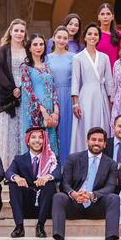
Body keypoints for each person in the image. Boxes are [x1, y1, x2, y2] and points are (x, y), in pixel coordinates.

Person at [51, 127, 121, 240]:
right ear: (87, 141)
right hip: (75, 204)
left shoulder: (111, 163)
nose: (96, 143)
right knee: (58, 197)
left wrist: (92, 195)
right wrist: (74, 194)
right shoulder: (73, 158)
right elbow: (65, 183)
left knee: (114, 198)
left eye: (100, 140)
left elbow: (110, 187)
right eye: (93, 139)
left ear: (105, 144)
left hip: (96, 205)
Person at [6, 126, 59, 239]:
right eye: (33, 137)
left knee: (50, 183)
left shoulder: (52, 158)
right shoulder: (19, 159)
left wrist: (47, 177)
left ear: (44, 141)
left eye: (40, 137)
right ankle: (19, 226)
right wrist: (17, 178)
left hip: (44, 204)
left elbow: (59, 173)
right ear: (28, 142)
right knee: (13, 183)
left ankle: (40, 226)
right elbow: (9, 172)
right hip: (26, 203)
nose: (37, 140)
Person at [0, 18, 26, 169]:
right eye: (16, 30)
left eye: (22, 31)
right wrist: (12, 90)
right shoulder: (3, 51)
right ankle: (4, 168)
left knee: (21, 135)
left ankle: (21, 169)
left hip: (25, 96)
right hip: (6, 97)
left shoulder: (28, 50)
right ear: (10, 32)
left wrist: (23, 90)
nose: (19, 33)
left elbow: (32, 72)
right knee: (7, 135)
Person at [71, 23, 114, 152]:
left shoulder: (104, 57)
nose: (92, 36)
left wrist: (112, 101)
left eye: (95, 34)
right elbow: (76, 81)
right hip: (85, 96)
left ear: (99, 38)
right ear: (84, 37)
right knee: (85, 126)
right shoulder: (77, 58)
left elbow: (109, 82)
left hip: (101, 97)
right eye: (89, 34)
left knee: (102, 125)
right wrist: (75, 104)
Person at [21, 33, 60, 155]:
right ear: (29, 48)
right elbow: (29, 91)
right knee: (37, 141)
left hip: (50, 109)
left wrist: (56, 110)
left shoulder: (48, 66)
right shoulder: (25, 67)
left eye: (41, 44)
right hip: (35, 110)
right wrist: (42, 110)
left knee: (50, 142)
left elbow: (53, 88)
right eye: (35, 45)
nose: (39, 47)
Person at [46, 26, 75, 165]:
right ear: (53, 38)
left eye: (65, 38)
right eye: (59, 37)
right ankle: (53, 166)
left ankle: (66, 166)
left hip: (68, 97)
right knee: (53, 133)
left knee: (67, 132)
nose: (62, 40)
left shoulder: (73, 57)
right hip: (52, 97)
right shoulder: (47, 58)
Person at [95, 2, 121, 71]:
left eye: (108, 14)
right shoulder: (94, 34)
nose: (105, 17)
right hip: (97, 72)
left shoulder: (119, 35)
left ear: (112, 17)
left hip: (114, 73)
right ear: (98, 17)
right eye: (102, 14)